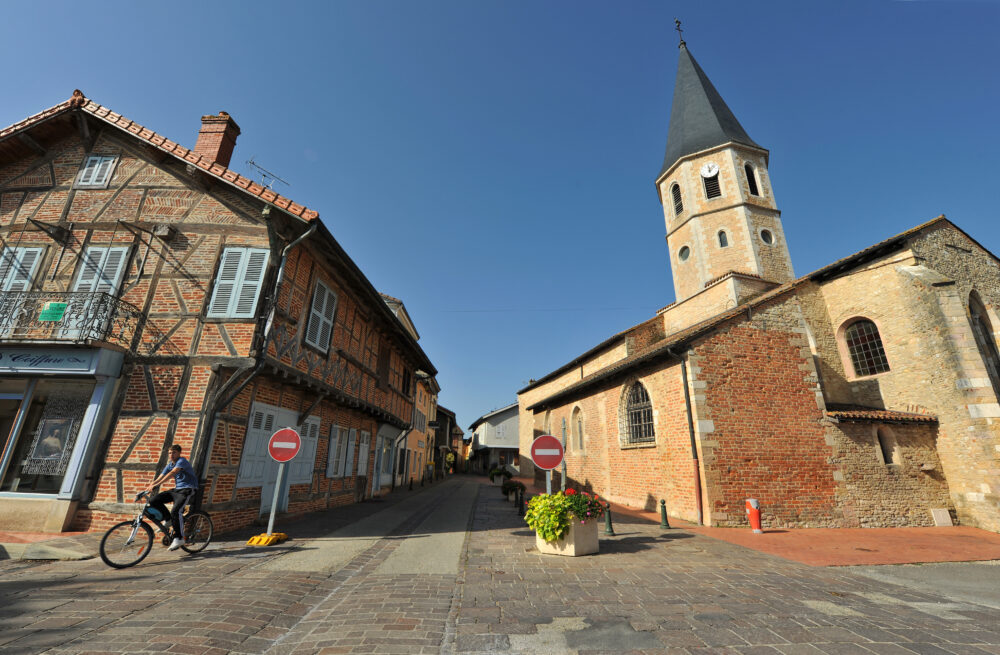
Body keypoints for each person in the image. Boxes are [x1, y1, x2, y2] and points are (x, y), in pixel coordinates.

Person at [145, 444, 199, 551]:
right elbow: (162, 475)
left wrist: (157, 485)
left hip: (187, 489)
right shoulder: (170, 464)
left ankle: (179, 538)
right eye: (170, 453)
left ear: (179, 453)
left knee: (176, 511)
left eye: (174, 452)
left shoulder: (182, 461)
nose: (171, 455)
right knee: (153, 500)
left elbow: (172, 473)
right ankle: (168, 519)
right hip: (177, 489)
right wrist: (151, 485)